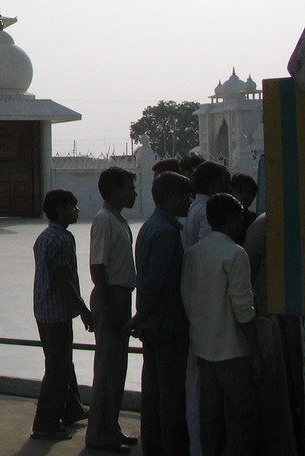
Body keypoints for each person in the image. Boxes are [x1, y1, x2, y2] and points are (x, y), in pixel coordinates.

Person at [180, 193, 260, 456]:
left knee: (210, 414)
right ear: (230, 219)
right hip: (232, 348)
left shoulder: (193, 253)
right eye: (238, 217)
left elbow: (187, 298)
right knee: (243, 413)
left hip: (203, 346)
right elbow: (243, 308)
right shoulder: (235, 254)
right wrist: (255, 349)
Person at [130, 171, 193, 456]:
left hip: (154, 323)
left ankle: (153, 446)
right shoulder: (167, 232)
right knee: (170, 394)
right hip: (167, 324)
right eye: (185, 197)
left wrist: (141, 315)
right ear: (173, 198)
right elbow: (156, 281)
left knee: (154, 392)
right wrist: (142, 314)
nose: (190, 203)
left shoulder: (150, 226)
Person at [30, 189, 93, 442]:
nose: (77, 211)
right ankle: (46, 424)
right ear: (59, 209)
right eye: (72, 206)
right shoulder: (62, 239)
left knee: (62, 362)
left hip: (44, 309)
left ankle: (71, 410)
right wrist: (84, 310)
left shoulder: (45, 236)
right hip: (56, 312)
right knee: (58, 368)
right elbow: (63, 279)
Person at [86, 167, 139, 453]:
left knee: (117, 368)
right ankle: (99, 434)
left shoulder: (118, 220)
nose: (134, 192)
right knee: (107, 369)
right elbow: (98, 267)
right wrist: (109, 306)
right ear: (114, 190)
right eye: (129, 187)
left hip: (118, 296)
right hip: (111, 297)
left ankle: (111, 427)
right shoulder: (105, 220)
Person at [229, 173, 258, 245]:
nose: (245, 196)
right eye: (240, 191)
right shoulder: (221, 218)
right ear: (231, 192)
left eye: (249, 193)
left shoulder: (255, 220)